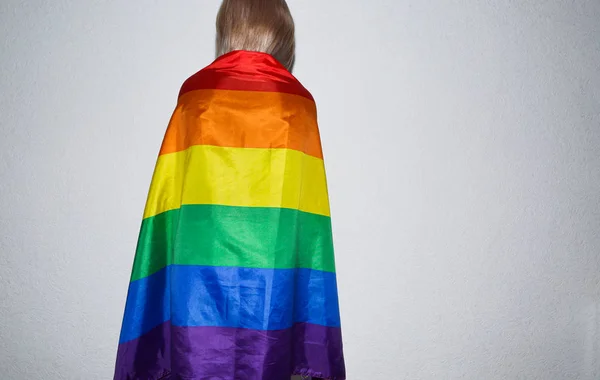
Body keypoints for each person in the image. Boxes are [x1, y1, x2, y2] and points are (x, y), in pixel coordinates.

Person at [113, 0, 345, 379]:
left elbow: (168, 210)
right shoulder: (299, 106)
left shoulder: (195, 97)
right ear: (283, 36)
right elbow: (308, 231)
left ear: (226, 30)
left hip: (195, 295)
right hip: (273, 290)